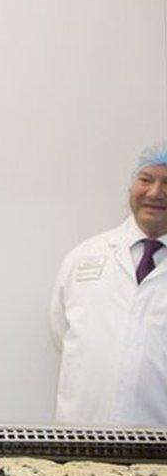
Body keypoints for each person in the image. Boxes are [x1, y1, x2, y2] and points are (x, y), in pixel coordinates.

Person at [50, 142, 167, 426]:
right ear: (131, 188)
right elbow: (61, 333)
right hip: (79, 434)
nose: (155, 192)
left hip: (158, 441)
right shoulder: (84, 257)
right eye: (146, 179)